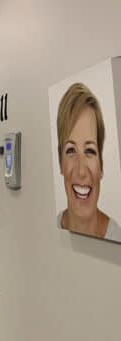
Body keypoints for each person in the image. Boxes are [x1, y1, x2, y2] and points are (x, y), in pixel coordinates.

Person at [56, 82, 121, 241]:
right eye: (71, 150)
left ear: (101, 165)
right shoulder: (52, 229)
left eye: (90, 151)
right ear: (60, 162)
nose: (81, 171)